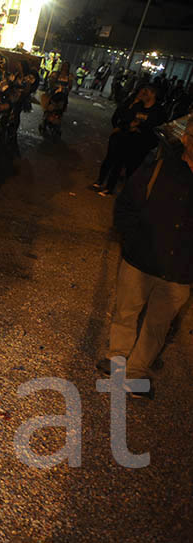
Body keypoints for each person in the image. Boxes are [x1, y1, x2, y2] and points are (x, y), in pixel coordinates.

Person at [97, 115, 193, 400]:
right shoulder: (160, 165)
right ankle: (117, 363)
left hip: (180, 270)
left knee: (157, 325)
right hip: (141, 258)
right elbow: (127, 202)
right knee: (126, 313)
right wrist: (132, 238)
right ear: (186, 138)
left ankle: (136, 373)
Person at [93, 84, 167, 196]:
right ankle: (109, 187)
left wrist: (139, 127)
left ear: (153, 94)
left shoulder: (158, 111)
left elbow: (155, 128)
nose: (143, 94)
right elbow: (125, 119)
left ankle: (127, 194)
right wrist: (129, 126)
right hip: (127, 139)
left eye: (146, 92)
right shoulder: (138, 106)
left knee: (132, 170)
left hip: (141, 145)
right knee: (117, 163)